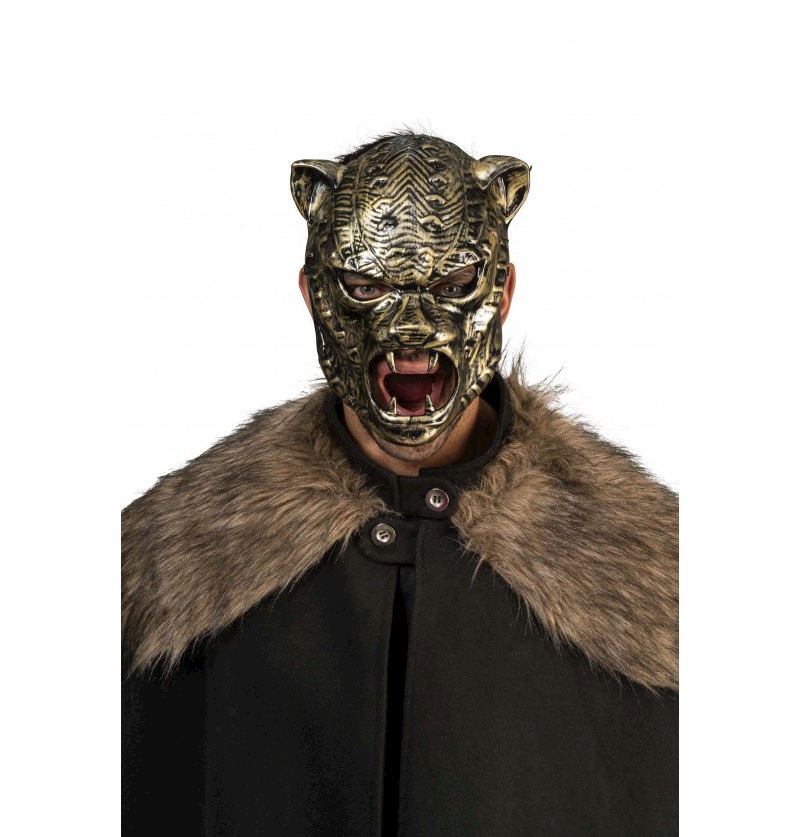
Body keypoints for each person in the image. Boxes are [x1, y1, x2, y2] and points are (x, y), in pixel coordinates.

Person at [122, 131, 678, 835]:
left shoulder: (656, 578)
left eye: (452, 286)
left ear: (503, 292)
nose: (411, 328)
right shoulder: (167, 568)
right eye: (365, 288)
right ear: (313, 295)